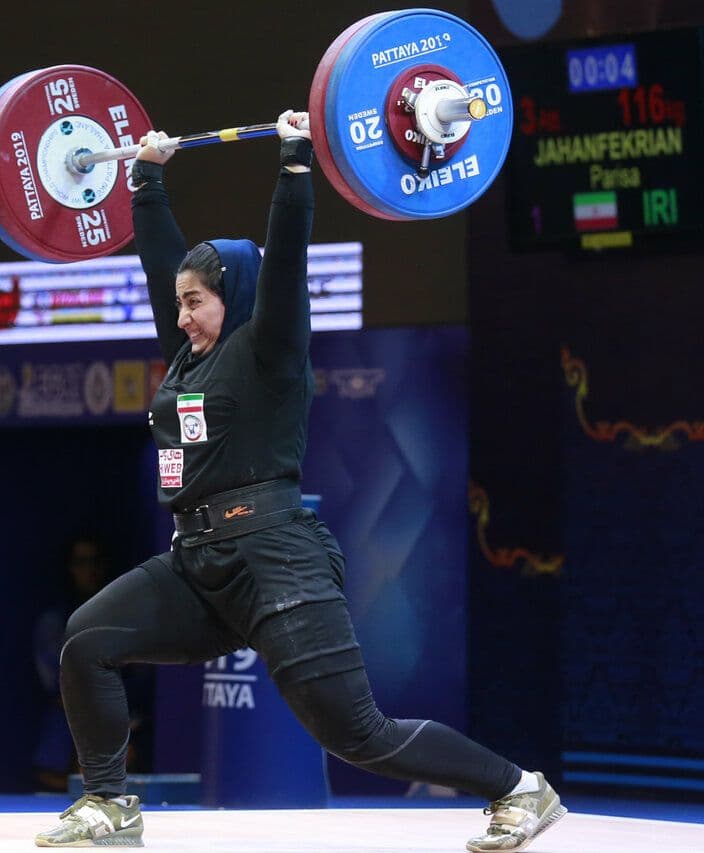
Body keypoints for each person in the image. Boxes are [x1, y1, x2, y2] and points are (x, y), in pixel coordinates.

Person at [33, 113, 565, 852]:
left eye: (195, 300)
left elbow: (281, 262)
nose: (180, 313)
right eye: (180, 302)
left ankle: (518, 788)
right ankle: (109, 804)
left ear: (234, 296)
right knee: (86, 639)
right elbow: (162, 267)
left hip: (277, 559)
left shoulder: (268, 349)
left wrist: (293, 164)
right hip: (199, 562)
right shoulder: (189, 356)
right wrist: (146, 181)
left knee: (357, 733)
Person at [31, 535, 152, 791]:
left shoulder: (126, 620)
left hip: (121, 721)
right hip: (71, 723)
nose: (90, 570)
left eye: (96, 561)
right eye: (82, 562)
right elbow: (60, 686)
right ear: (70, 567)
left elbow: (139, 677)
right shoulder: (54, 623)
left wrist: (120, 725)